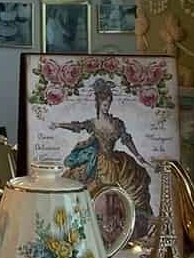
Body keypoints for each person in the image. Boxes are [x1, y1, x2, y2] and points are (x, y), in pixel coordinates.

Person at [54, 78, 154, 235]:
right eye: (104, 104)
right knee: (85, 188)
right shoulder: (93, 123)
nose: (107, 107)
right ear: (99, 104)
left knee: (128, 186)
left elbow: (126, 139)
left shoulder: (117, 123)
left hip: (115, 161)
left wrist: (138, 156)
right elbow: (77, 126)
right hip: (97, 161)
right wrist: (59, 125)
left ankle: (119, 226)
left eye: (109, 104)